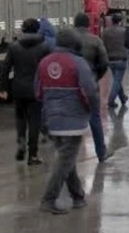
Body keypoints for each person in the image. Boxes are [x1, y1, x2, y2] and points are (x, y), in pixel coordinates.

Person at [36, 29, 99, 215]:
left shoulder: (44, 62)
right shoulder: (78, 63)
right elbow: (90, 90)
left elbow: (37, 90)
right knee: (64, 161)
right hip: (73, 119)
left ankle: (78, 196)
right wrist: (91, 109)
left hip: (51, 118)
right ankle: (49, 199)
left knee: (67, 158)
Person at [0, 18, 52, 165]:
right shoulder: (45, 47)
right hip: (37, 90)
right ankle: (33, 154)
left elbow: (5, 67)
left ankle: (21, 141)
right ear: (37, 29)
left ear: (23, 29)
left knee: (20, 118)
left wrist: (3, 88)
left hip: (19, 89)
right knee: (35, 121)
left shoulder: (14, 47)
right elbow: (50, 68)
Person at [73, 13, 112, 162]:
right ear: (88, 24)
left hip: (71, 85)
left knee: (73, 118)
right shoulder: (95, 40)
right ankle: (101, 153)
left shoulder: (68, 40)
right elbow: (104, 63)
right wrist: (95, 77)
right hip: (90, 84)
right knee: (94, 118)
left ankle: (70, 154)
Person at [102, 14, 129, 108]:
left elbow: (103, 45)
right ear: (120, 21)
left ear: (112, 21)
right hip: (121, 59)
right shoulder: (124, 31)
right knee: (117, 80)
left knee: (117, 79)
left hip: (110, 59)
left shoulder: (105, 32)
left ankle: (122, 98)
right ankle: (111, 100)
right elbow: (128, 44)